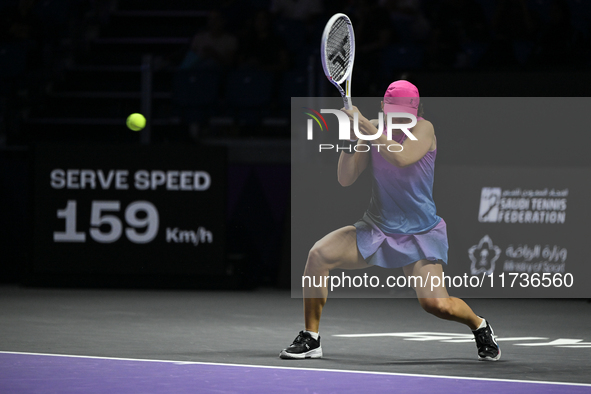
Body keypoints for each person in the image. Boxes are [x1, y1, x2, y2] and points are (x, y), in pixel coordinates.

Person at [280, 80, 501, 361]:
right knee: (318, 255)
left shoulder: (424, 129)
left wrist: (367, 128)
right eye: (392, 110)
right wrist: (350, 138)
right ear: (383, 107)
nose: (397, 117)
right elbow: (346, 179)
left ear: (416, 110)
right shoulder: (373, 128)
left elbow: (402, 158)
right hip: (377, 227)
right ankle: (311, 338)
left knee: (436, 305)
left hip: (420, 233)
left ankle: (479, 325)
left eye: (403, 112)